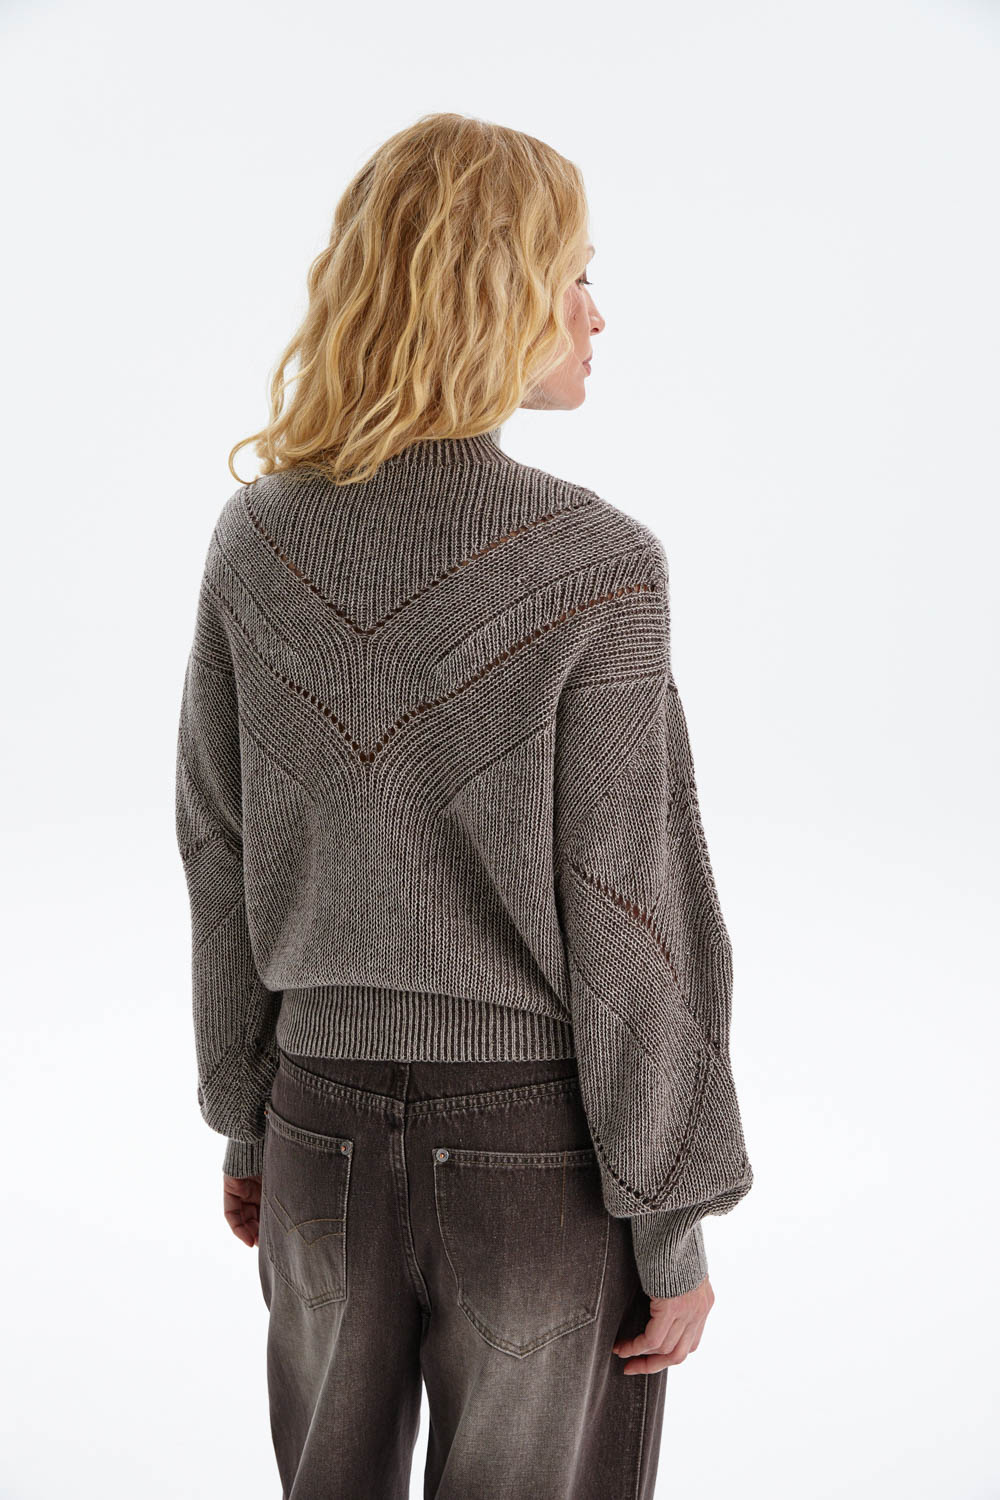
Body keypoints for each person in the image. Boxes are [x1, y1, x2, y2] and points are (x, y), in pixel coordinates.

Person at [174, 110, 754, 1500]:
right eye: (574, 274)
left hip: (317, 1130)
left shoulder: (259, 536)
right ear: (491, 292)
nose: (598, 313)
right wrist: (669, 1218)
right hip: (535, 1158)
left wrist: (253, 1117)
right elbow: (631, 912)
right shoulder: (597, 565)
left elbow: (218, 842)